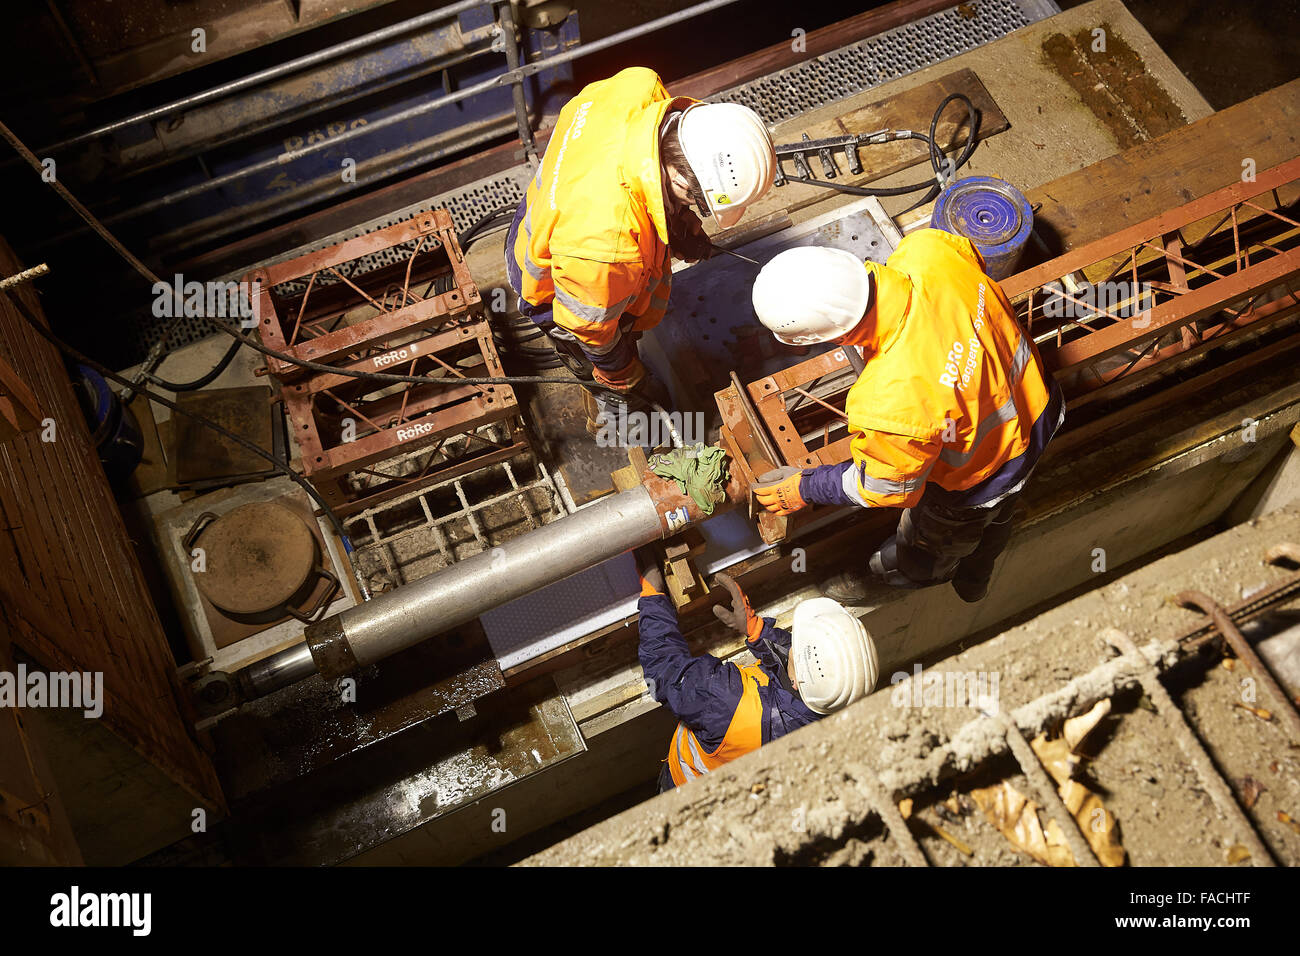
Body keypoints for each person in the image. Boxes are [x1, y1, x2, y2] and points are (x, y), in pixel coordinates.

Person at [748, 229, 1065, 604]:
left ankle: (917, 572)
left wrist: (805, 487)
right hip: (1041, 409)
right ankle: (977, 577)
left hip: (983, 475)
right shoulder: (927, 249)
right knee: (1002, 510)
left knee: (935, 540)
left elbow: (886, 488)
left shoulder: (889, 401)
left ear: (831, 338)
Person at [504, 66, 775, 413]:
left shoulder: (639, 87)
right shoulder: (608, 249)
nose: (698, 209)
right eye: (700, 202)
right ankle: (612, 398)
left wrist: (675, 222)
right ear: (679, 178)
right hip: (556, 288)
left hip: (548, 212)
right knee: (605, 364)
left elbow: (641, 167)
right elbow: (590, 327)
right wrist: (623, 373)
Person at [635, 550, 878, 792]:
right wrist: (757, 629)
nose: (792, 642)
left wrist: (652, 597)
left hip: (683, 789)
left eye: (797, 644)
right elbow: (793, 665)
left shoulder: (727, 699)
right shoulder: (830, 702)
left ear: (797, 680)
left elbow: (664, 668)